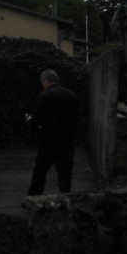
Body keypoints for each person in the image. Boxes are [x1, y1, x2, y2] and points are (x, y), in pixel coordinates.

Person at [26, 68, 80, 196]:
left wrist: (29, 119)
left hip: (48, 140)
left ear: (46, 80)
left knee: (40, 170)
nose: (42, 85)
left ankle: (34, 197)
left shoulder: (44, 95)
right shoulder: (70, 94)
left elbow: (38, 118)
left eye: (42, 82)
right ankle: (65, 197)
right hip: (66, 140)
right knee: (65, 171)